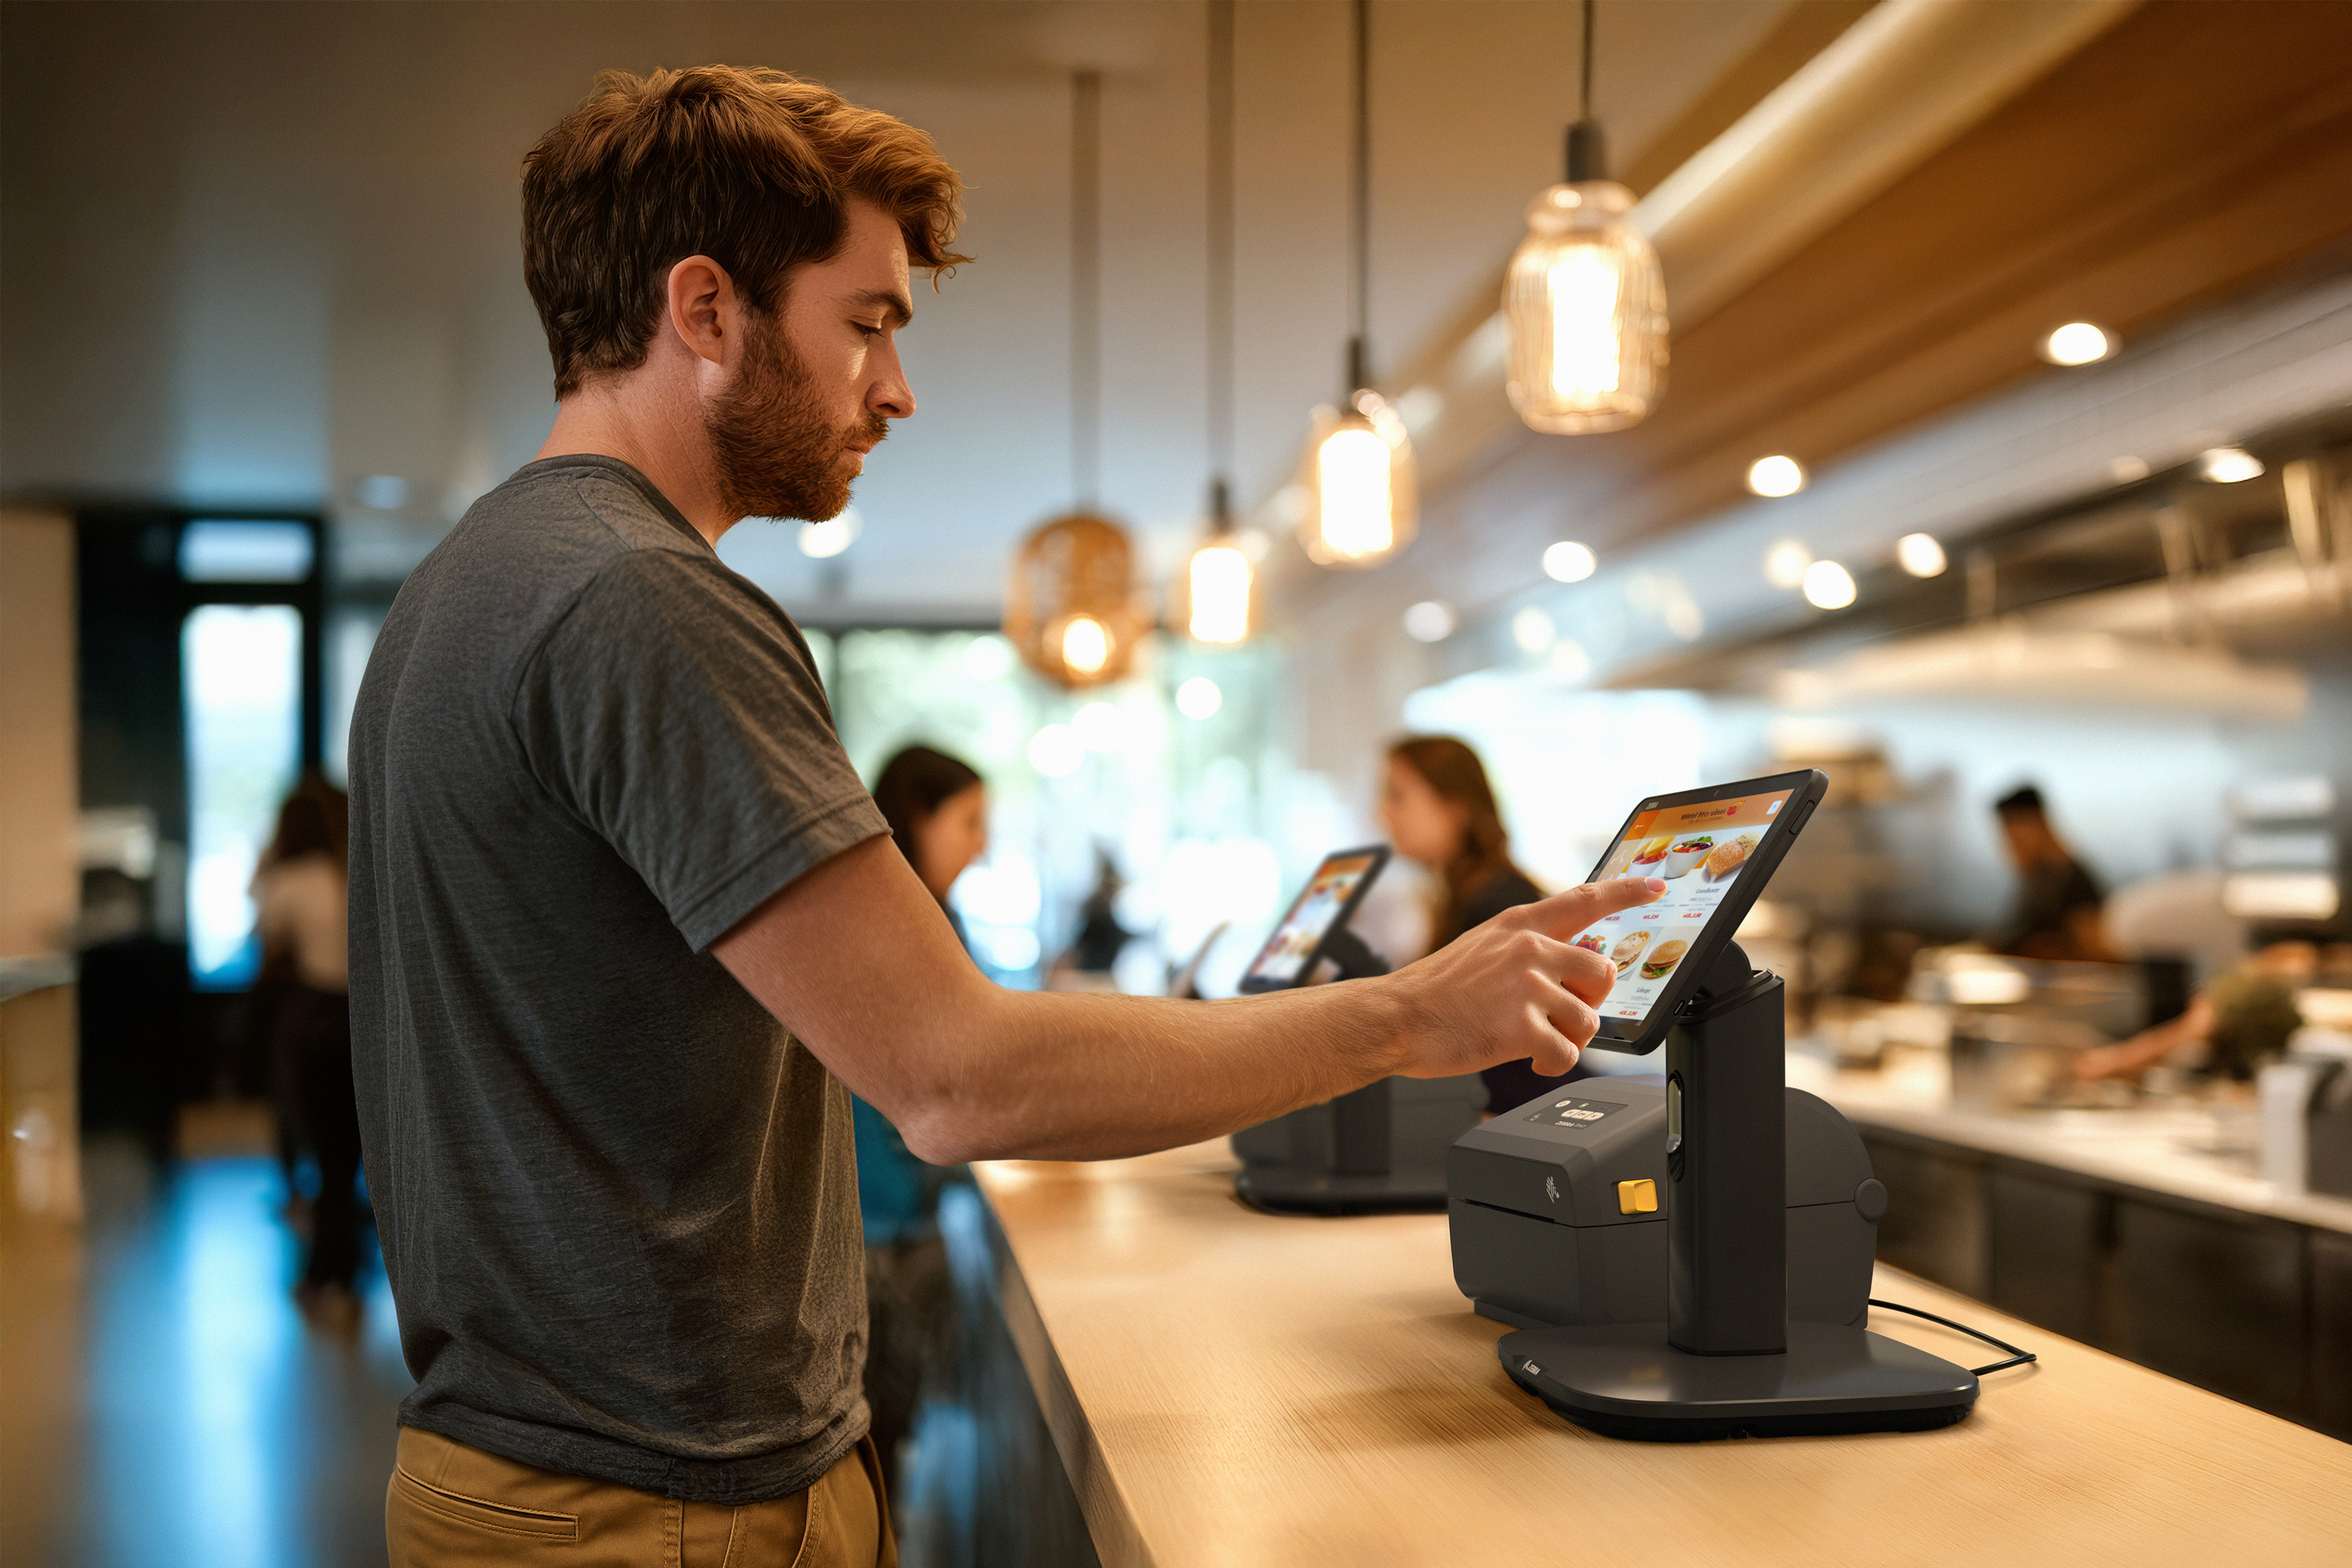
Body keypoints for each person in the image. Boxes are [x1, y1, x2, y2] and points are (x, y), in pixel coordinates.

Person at [350, 65, 1660, 1568]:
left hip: (521, 1466)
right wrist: (1405, 1015)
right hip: (663, 1502)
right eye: (867, 323)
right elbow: (958, 1077)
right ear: (703, 311)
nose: (896, 389)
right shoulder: (645, 601)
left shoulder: (460, 590)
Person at [857, 745, 985, 1499]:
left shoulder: (931, 921)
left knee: (886, 1447)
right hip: (880, 1234)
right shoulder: (896, 932)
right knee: (878, 1444)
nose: (981, 843)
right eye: (968, 822)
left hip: (893, 1225)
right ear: (916, 818)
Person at [1377, 737, 1563, 1115]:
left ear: (1454, 807)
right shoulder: (1464, 897)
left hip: (1528, 1114)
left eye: (1397, 796)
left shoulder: (1498, 905)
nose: (1383, 812)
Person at [251, 772, 361, 1330]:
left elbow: (268, 947)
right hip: (365, 1022)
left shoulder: (290, 881)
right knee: (350, 1160)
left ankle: (324, 1273)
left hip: (314, 1023)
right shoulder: (358, 874)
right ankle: (342, 1273)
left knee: (326, 1155)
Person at [1992, 785, 2114, 963]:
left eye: (2014, 836)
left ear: (2039, 824)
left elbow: (2097, 951)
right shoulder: (2038, 880)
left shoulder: (2073, 879)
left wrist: (2046, 950)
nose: (2009, 846)